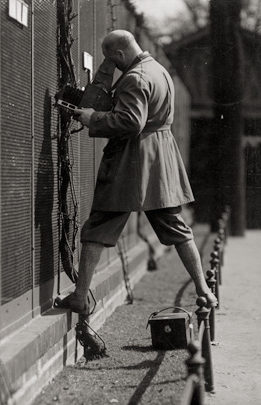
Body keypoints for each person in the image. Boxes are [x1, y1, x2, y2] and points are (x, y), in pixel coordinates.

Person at [61, 29, 217, 314]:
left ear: (121, 54)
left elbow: (131, 122)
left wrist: (92, 117)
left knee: (99, 226)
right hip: (161, 158)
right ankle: (204, 289)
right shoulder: (157, 69)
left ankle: (80, 297)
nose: (112, 65)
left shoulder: (135, 77)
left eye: (112, 59)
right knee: (176, 227)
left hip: (132, 159)